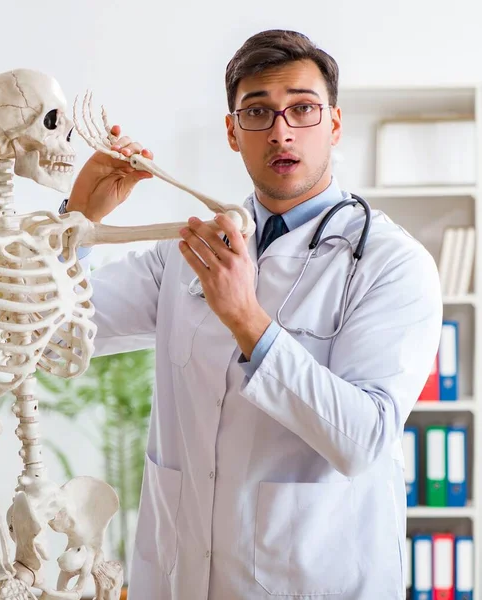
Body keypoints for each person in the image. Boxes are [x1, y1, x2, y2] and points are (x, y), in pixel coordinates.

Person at [64, 29, 443, 600]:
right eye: (258, 112)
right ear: (232, 132)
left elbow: (363, 440)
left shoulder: (391, 263)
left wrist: (248, 321)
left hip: (316, 579)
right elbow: (56, 337)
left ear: (334, 125)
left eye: (303, 109)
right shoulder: (185, 249)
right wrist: (78, 224)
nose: (281, 130)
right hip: (179, 576)